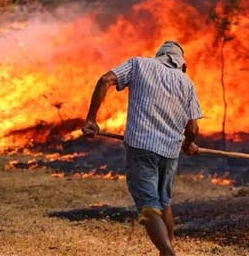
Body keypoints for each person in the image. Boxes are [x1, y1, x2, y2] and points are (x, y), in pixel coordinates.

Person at [82, 40, 203, 256]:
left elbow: (105, 79)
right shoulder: (187, 83)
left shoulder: (139, 65)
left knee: (148, 205)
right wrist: (188, 144)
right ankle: (168, 249)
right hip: (170, 152)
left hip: (141, 148)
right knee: (164, 203)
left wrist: (91, 119)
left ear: (160, 56)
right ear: (181, 64)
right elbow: (193, 127)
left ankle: (167, 252)